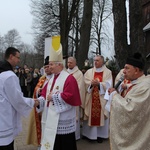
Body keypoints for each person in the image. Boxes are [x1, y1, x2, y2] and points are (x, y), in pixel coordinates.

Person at [37, 43, 81, 150]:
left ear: (59, 65)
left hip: (63, 120)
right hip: (51, 118)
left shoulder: (69, 79)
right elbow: (45, 95)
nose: (49, 67)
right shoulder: (51, 79)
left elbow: (71, 96)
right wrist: (38, 101)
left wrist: (55, 97)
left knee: (65, 145)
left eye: (51, 64)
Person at [108, 53, 150, 150]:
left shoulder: (144, 87)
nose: (124, 72)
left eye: (127, 68)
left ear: (136, 70)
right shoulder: (136, 84)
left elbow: (130, 109)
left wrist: (114, 96)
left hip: (138, 137)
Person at [0, 47, 39, 150]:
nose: (19, 60)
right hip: (4, 119)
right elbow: (17, 100)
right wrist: (32, 102)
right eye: (18, 57)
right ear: (11, 56)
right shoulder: (9, 76)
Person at [82, 55, 112, 143]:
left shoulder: (108, 72)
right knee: (90, 114)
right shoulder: (89, 72)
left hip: (101, 97)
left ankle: (100, 135)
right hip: (91, 97)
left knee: (101, 116)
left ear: (102, 62)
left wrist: (99, 84)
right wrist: (91, 84)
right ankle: (88, 135)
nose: (95, 62)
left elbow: (109, 84)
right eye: (94, 60)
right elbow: (85, 82)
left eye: (98, 60)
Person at [27, 56, 53, 149]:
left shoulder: (57, 78)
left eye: (48, 67)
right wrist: (38, 91)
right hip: (42, 109)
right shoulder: (42, 79)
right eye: (45, 67)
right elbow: (36, 90)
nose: (46, 69)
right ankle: (42, 144)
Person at [67, 56, 85, 140]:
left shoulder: (79, 73)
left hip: (74, 98)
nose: (69, 64)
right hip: (66, 98)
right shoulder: (65, 72)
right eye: (68, 62)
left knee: (75, 116)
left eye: (71, 62)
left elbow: (80, 87)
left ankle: (76, 135)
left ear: (75, 63)